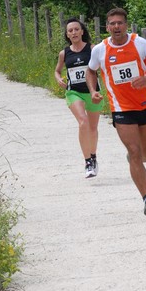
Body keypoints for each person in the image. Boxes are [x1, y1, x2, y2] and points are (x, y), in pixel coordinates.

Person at [86, 7, 146, 219]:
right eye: (112, 23)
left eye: (120, 23)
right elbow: (91, 70)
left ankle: (135, 159)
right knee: (134, 150)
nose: (116, 27)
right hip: (121, 108)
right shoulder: (100, 50)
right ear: (107, 27)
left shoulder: (140, 43)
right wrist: (94, 90)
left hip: (144, 104)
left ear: (126, 25)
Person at [55, 17, 103, 179]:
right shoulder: (64, 53)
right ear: (67, 35)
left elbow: (102, 67)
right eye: (70, 31)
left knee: (92, 128)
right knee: (83, 122)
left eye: (76, 29)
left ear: (82, 31)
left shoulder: (92, 49)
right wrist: (58, 78)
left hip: (93, 92)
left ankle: (94, 156)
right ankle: (88, 161)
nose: (73, 32)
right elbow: (57, 70)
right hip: (73, 92)